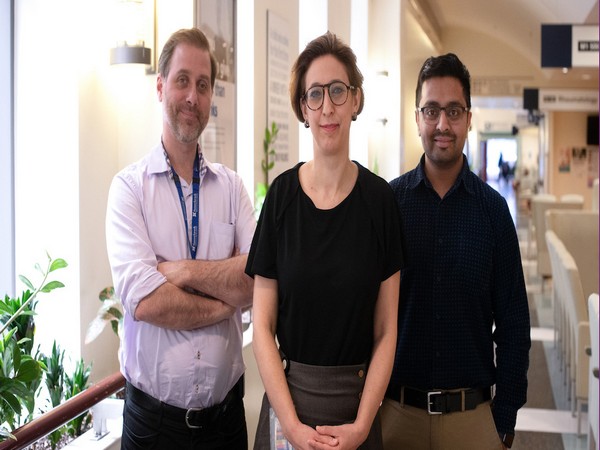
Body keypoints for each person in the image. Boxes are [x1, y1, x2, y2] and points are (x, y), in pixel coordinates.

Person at [245, 32, 404, 450]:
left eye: (337, 91)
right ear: (303, 108)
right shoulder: (280, 197)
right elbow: (262, 326)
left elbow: (387, 330)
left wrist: (363, 424)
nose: (327, 107)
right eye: (315, 95)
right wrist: (292, 426)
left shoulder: (380, 201)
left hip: (358, 411)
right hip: (288, 406)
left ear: (355, 100)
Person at [105, 28, 256, 449]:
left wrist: (182, 271)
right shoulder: (128, 189)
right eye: (182, 80)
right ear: (160, 86)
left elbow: (257, 278)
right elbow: (147, 301)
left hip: (225, 422)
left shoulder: (232, 189)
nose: (193, 96)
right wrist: (226, 302)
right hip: (154, 427)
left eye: (203, 85)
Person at [381, 53, 530, 450]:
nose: (442, 124)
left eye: (453, 111)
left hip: (474, 421)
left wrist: (504, 419)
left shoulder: (494, 212)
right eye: (431, 110)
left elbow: (515, 324)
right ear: (417, 118)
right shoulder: (388, 205)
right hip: (397, 417)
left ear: (468, 118)